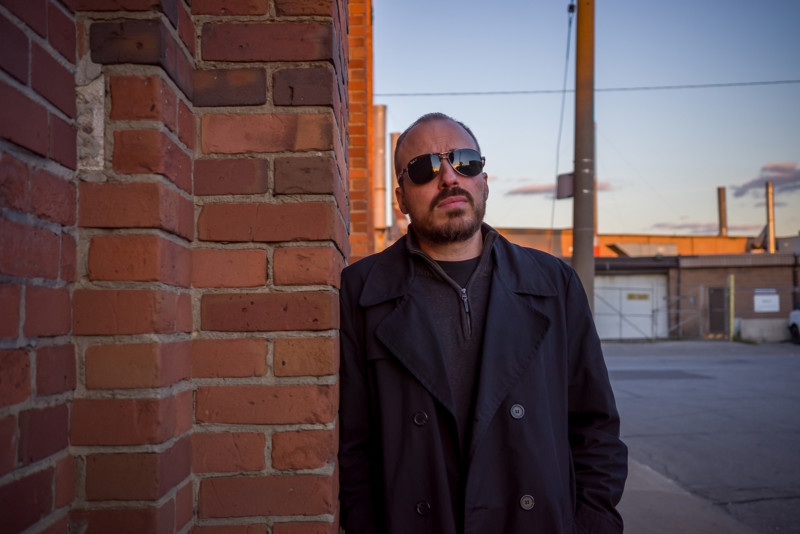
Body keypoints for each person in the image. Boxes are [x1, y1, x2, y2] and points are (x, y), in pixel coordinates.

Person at [338, 113, 627, 534]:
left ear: (484, 181)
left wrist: (593, 524)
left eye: (465, 161)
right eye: (425, 169)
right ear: (401, 198)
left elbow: (595, 427)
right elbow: (352, 444)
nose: (449, 177)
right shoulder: (361, 292)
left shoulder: (553, 283)